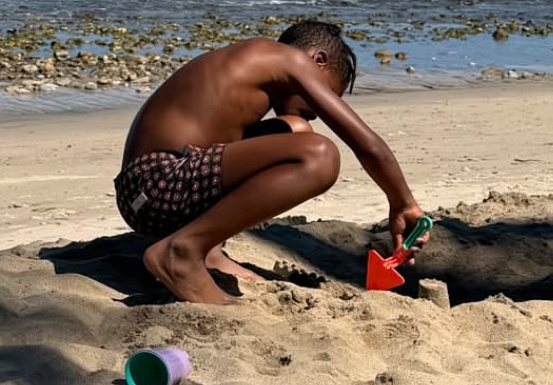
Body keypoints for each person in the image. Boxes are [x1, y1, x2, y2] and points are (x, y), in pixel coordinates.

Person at [115, 18, 425, 306]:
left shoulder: (250, 64)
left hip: (154, 192)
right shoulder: (288, 59)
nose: (317, 110)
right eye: (329, 93)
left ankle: (209, 251)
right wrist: (403, 203)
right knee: (320, 155)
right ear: (317, 61)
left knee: (296, 130)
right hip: (155, 183)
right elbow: (366, 144)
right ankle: (183, 251)